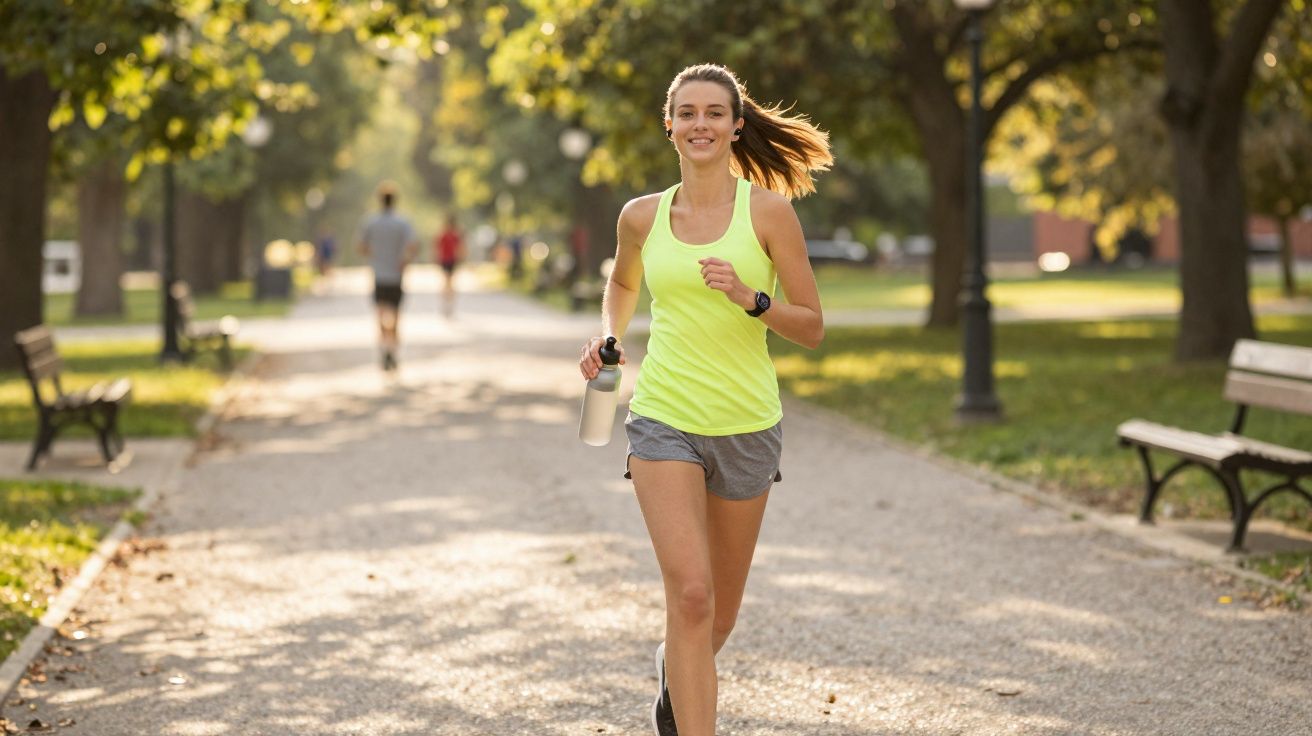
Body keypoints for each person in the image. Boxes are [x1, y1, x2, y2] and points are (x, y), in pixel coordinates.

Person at [578, 63, 831, 736]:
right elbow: (623, 287)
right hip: (663, 417)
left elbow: (811, 325)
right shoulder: (641, 217)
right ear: (669, 125)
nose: (700, 124)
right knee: (690, 596)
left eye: (714, 113)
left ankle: (675, 671)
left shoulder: (769, 214)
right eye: (686, 113)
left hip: (749, 424)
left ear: (736, 126)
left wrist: (754, 300)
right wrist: (607, 336)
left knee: (716, 617)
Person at [357, 183, 418, 371]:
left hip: (379, 275)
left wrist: (374, 255)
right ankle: (393, 350)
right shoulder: (403, 223)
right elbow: (413, 245)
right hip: (396, 275)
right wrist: (404, 260)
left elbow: (360, 246)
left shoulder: (370, 222)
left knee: (381, 314)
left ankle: (385, 347)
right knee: (397, 316)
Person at [434, 215, 465, 318]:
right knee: (448, 281)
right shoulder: (444, 234)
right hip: (446, 260)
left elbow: (460, 248)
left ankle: (449, 303)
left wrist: (460, 257)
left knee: (449, 282)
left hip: (451, 260)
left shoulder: (454, 235)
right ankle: (446, 302)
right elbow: (438, 247)